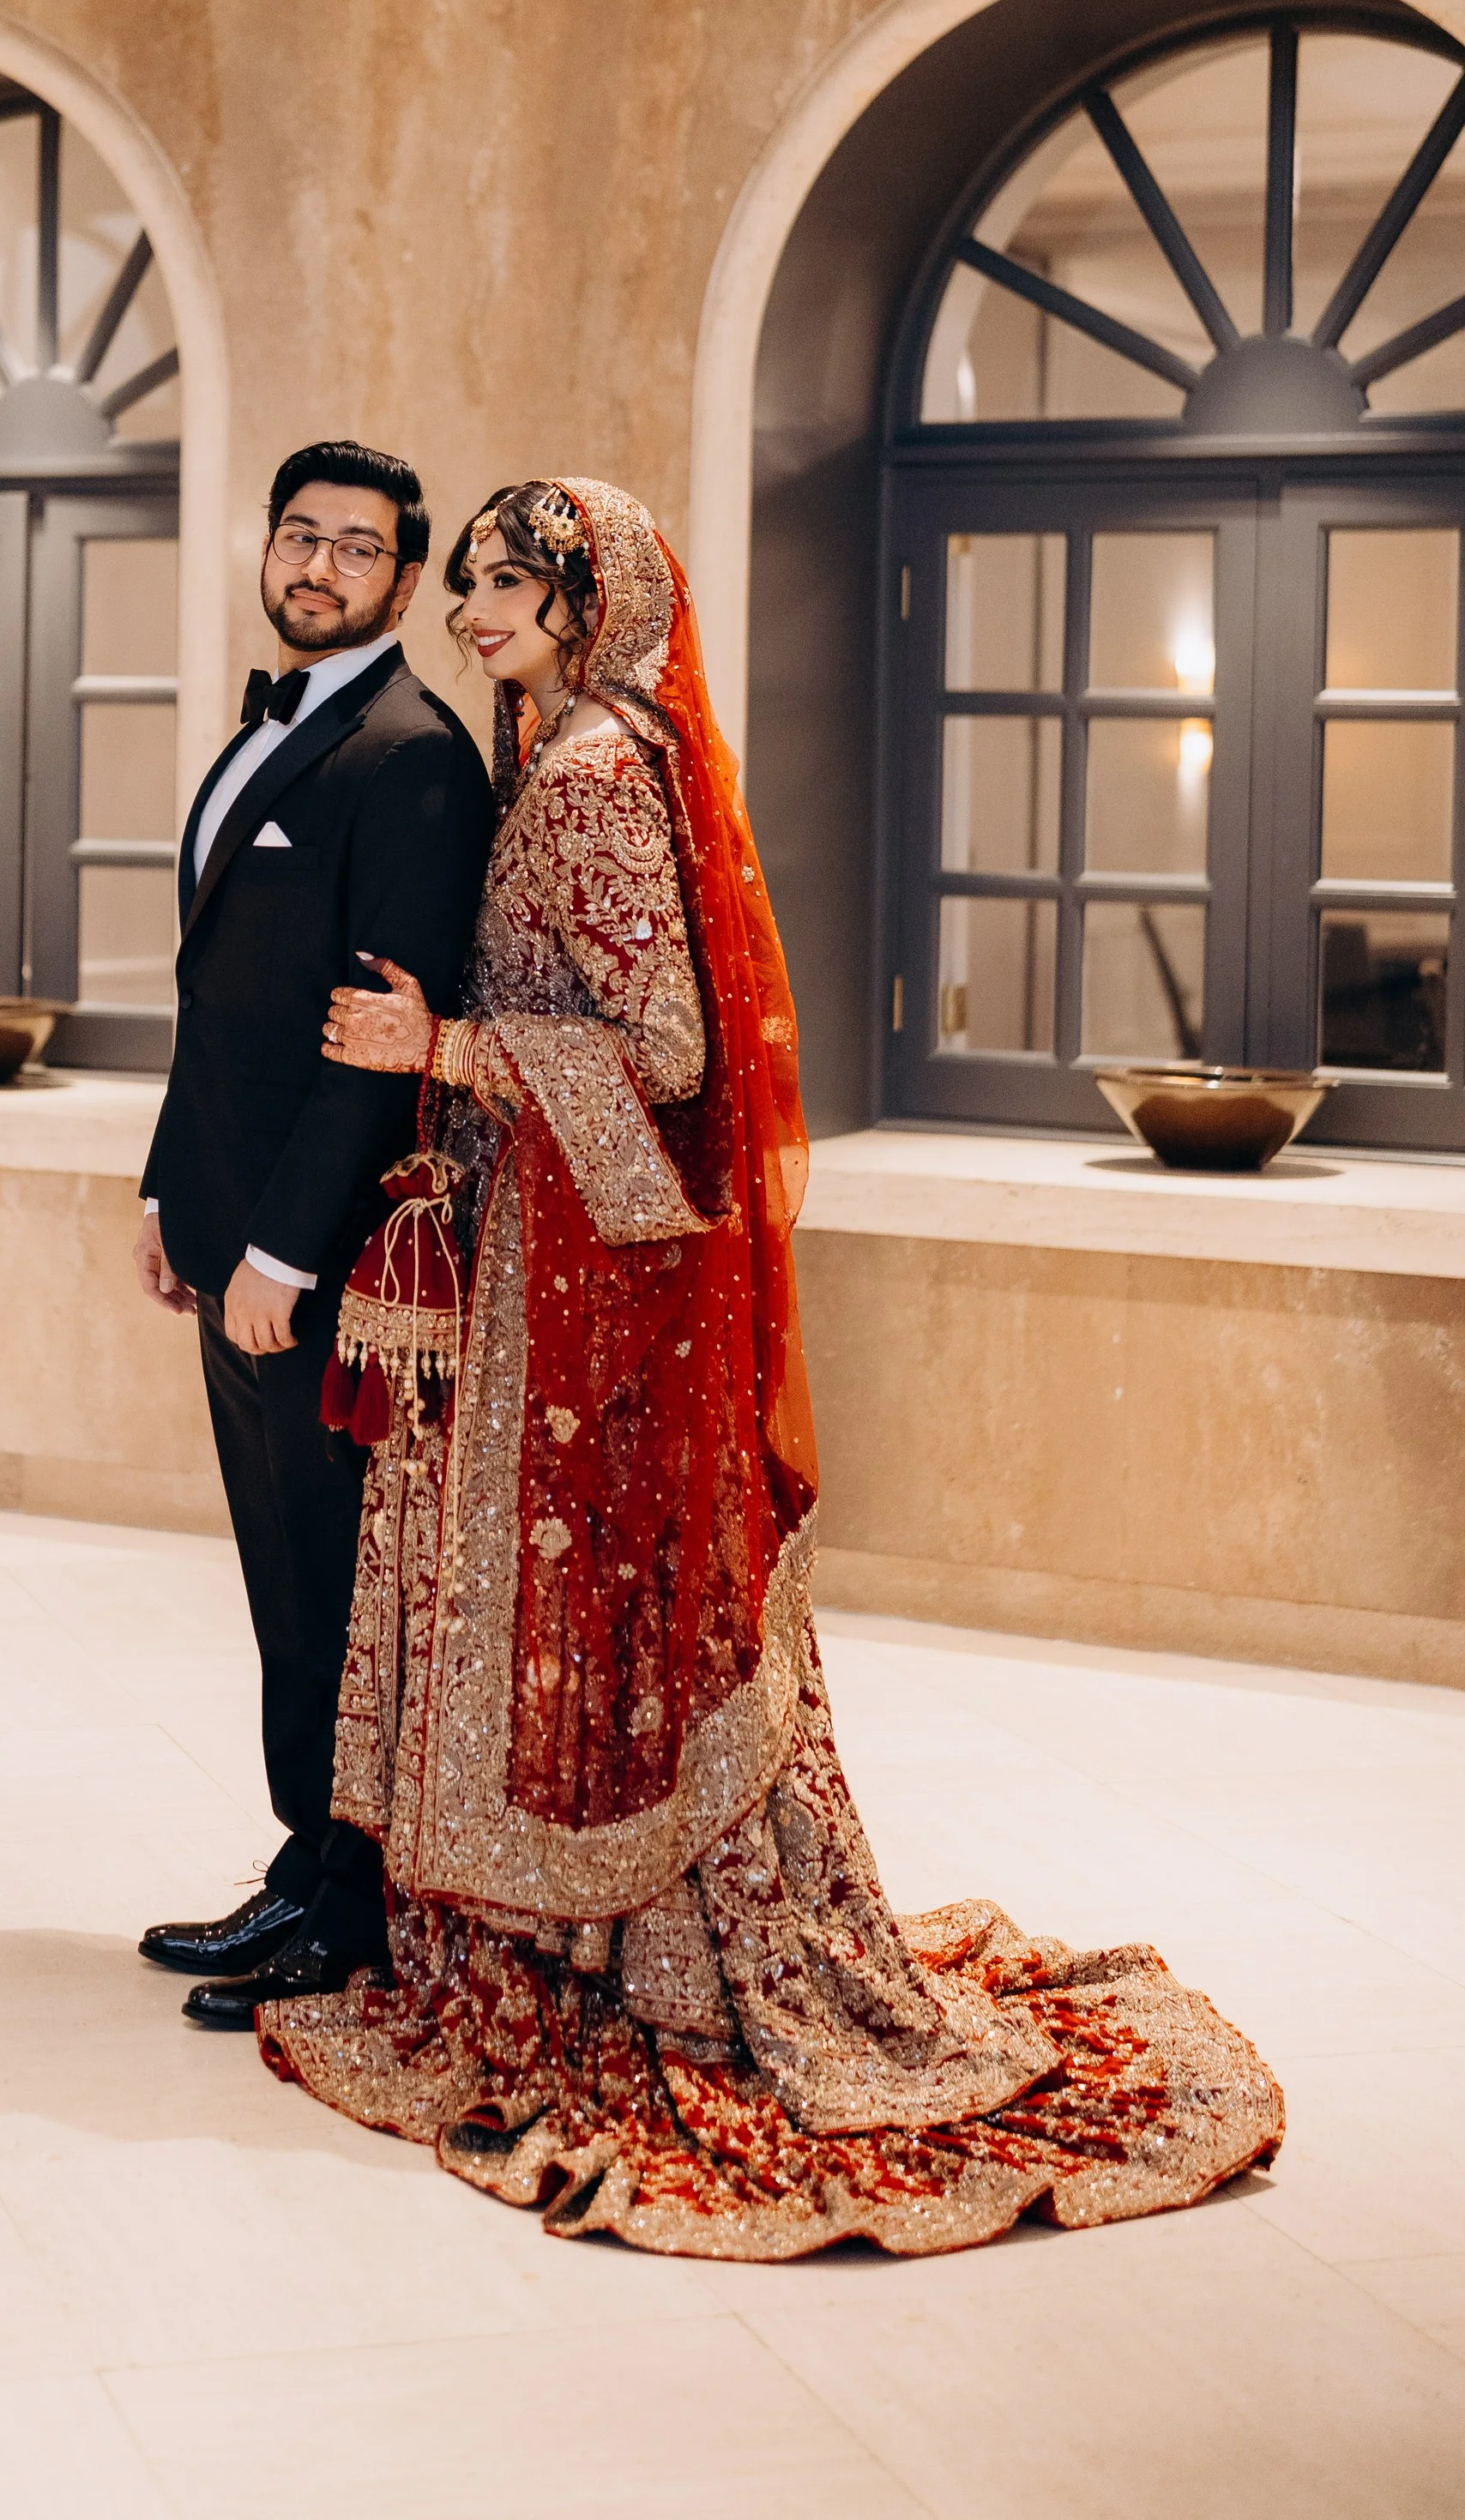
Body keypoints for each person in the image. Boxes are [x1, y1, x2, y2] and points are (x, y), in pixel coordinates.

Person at [259, 474, 1287, 2257]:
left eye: (516, 585)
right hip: (550, 1263)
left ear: (594, 608)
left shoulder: (585, 773)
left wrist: (456, 1047)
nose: (480, 608)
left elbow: (662, 1049)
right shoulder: (564, 747)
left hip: (580, 1281)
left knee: (612, 1618)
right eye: (477, 581)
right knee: (608, 1621)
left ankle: (637, 1970)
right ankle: (601, 1952)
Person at [134, 440, 497, 2028]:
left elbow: (377, 1036)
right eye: (302, 536)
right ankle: (304, 1857)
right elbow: (216, 1004)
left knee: (344, 1572)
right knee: (279, 1564)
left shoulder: (414, 756)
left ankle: (354, 1902)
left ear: (404, 582)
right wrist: (171, 1195)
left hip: (323, 1252)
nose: (321, 565)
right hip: (226, 1223)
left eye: (359, 548)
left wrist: (284, 1253)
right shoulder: (260, 730)